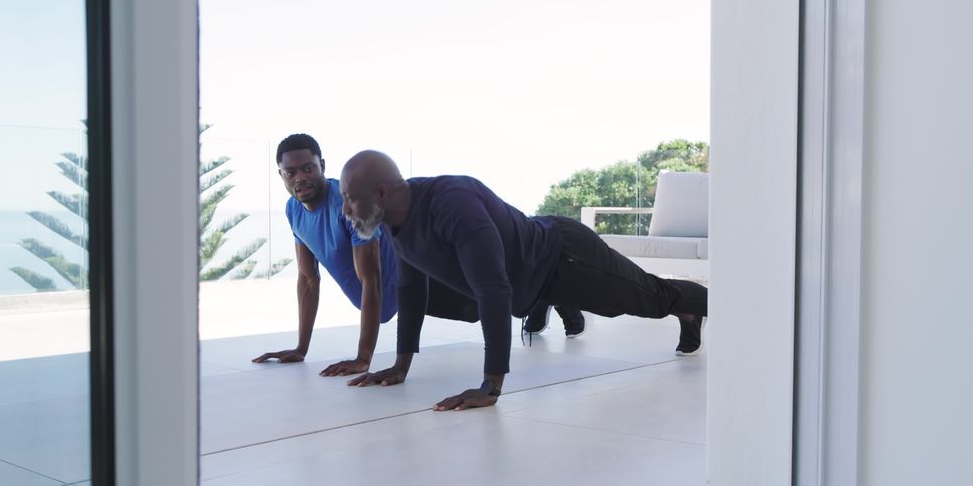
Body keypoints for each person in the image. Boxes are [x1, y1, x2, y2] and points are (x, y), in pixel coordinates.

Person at [340, 150, 708, 411]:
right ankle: (561, 305)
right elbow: (410, 287)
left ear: (381, 193)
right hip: (531, 276)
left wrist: (491, 385)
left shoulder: (453, 202)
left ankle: (712, 305)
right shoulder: (390, 220)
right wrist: (401, 366)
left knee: (651, 299)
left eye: (349, 199)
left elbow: (493, 288)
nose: (345, 210)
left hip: (565, 259)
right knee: (447, 293)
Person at [251, 134, 480, 375]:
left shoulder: (349, 204)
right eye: (291, 172)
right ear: (281, 175)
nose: (300, 178)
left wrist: (363, 358)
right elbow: (308, 279)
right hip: (394, 299)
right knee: (483, 306)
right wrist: (301, 348)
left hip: (424, 277)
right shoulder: (293, 209)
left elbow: (371, 279)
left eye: (308, 168)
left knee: (483, 305)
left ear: (323, 166)